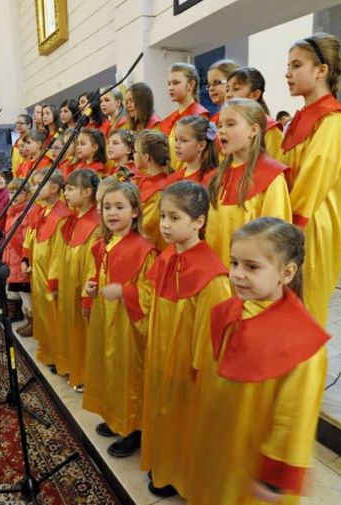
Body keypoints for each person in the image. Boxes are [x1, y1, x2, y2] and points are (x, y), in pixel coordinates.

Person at [190, 217, 328, 505]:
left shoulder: (303, 342)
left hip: (255, 460)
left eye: (251, 267)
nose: (237, 274)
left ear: (286, 273)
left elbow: (294, 416)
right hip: (220, 441)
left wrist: (274, 478)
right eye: (234, 263)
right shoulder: (226, 311)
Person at [140, 181, 230, 498]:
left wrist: (198, 371)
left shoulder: (213, 276)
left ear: (199, 221)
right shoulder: (166, 257)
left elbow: (211, 338)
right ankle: (163, 466)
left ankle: (181, 476)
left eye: (174, 217)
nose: (164, 224)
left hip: (187, 366)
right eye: (163, 216)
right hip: (161, 355)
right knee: (162, 411)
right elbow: (152, 305)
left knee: (182, 418)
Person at [280, 33, 341, 327]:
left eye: (296, 65)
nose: (287, 73)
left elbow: (312, 184)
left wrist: (282, 234)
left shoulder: (332, 120)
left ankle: (305, 372)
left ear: (321, 70)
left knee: (305, 305)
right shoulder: (302, 117)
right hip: (290, 222)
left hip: (310, 227)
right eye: (288, 66)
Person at [82, 179, 156, 458]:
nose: (112, 213)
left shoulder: (144, 250)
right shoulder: (104, 243)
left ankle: (133, 428)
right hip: (106, 318)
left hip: (128, 324)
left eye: (120, 207)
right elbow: (96, 273)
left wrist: (125, 291)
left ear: (135, 211)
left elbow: (150, 293)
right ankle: (115, 417)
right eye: (107, 207)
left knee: (128, 374)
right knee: (110, 367)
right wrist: (90, 286)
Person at [206, 99, 292, 267]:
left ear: (253, 130)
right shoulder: (218, 176)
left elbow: (276, 239)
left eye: (230, 124)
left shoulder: (271, 177)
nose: (222, 131)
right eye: (220, 125)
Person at [56, 169, 101, 390]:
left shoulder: (95, 224)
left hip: (82, 286)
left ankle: (85, 375)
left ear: (87, 193)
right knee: (70, 326)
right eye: (65, 188)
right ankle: (72, 366)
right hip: (69, 283)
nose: (66, 193)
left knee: (83, 331)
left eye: (71, 188)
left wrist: (86, 297)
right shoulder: (74, 219)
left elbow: (93, 264)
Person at [22, 170, 70, 367]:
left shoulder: (62, 216)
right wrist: (25, 258)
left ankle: (60, 357)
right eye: (33, 184)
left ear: (54, 188)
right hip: (37, 272)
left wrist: (54, 279)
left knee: (55, 317)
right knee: (43, 314)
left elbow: (60, 253)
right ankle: (48, 352)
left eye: (38, 184)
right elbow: (30, 237)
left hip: (51, 275)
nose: (33, 188)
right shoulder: (41, 210)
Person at [225, 66, 285, 160]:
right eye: (227, 90)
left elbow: (274, 167)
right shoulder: (225, 128)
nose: (228, 94)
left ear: (255, 95)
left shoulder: (269, 130)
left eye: (236, 89)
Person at [160, 63, 210, 171]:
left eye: (176, 83)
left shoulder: (200, 116)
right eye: (169, 84)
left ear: (190, 85)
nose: (171, 88)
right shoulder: (170, 118)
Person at [132, 130, 172, 251]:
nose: (133, 155)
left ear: (146, 157)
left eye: (135, 152)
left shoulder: (160, 191)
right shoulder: (143, 179)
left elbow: (147, 227)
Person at [3, 178, 33, 332]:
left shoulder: (26, 213)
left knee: (27, 295)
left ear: (27, 194)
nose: (13, 195)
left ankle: (32, 323)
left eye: (18, 192)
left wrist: (25, 259)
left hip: (21, 261)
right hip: (12, 259)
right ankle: (28, 321)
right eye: (11, 192)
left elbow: (27, 239)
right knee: (21, 294)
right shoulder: (12, 212)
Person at [169, 115, 218, 185]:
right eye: (176, 139)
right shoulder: (172, 178)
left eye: (184, 140)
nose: (176, 145)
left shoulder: (212, 178)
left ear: (201, 145)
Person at [206, 59, 240, 124]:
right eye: (209, 85)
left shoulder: (244, 118)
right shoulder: (215, 118)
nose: (211, 88)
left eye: (216, 82)